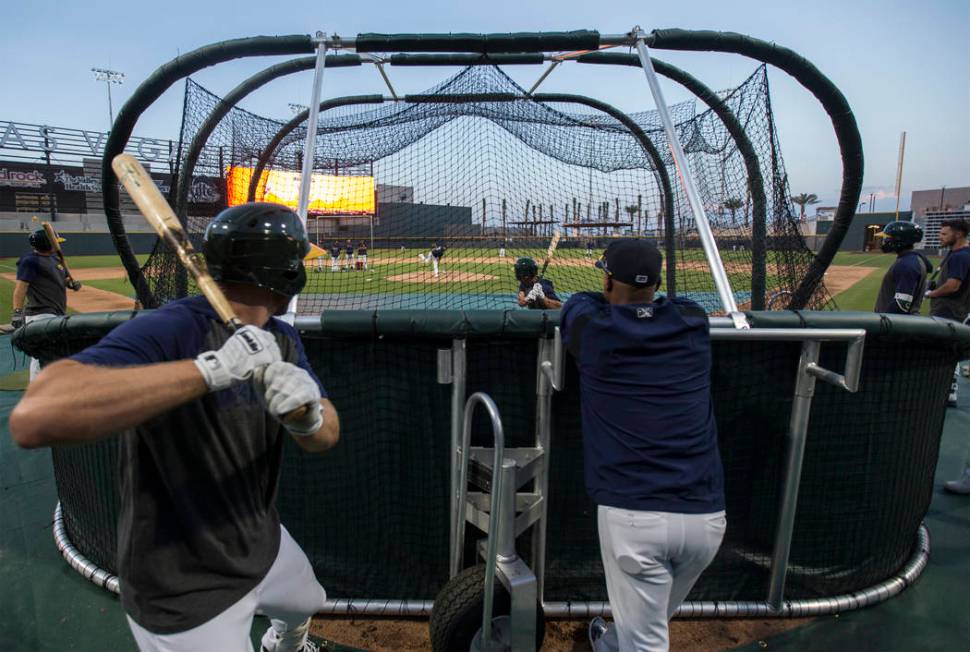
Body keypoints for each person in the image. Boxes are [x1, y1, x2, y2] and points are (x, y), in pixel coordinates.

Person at [10, 203, 340, 652]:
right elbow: (36, 417)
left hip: (259, 540)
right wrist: (209, 371)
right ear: (283, 273)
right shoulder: (173, 327)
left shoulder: (282, 338)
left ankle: (285, 643)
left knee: (305, 600)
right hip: (182, 584)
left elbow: (326, 436)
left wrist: (308, 417)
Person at [559, 239, 726, 652]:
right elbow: (673, 304)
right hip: (706, 520)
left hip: (634, 518)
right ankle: (611, 641)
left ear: (607, 279)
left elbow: (579, 302)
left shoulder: (592, 328)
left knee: (646, 641)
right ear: (657, 282)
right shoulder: (693, 321)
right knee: (648, 618)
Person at [927, 218, 970, 493]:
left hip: (950, 316)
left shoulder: (960, 256)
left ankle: (945, 391)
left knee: (944, 357)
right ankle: (949, 390)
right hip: (953, 315)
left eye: (945, 232)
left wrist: (932, 292)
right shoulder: (958, 255)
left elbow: (953, 285)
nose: (941, 236)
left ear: (958, 234)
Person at [11, 228, 82, 379]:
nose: (58, 245)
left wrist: (70, 283)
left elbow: (60, 280)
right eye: (55, 242)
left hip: (57, 312)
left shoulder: (56, 259)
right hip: (40, 314)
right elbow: (21, 287)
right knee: (40, 354)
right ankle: (37, 389)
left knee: (56, 351)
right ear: (47, 243)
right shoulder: (30, 261)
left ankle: (53, 383)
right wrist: (17, 312)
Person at [873, 221, 931, 314]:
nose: (885, 241)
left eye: (888, 238)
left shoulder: (907, 264)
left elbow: (901, 305)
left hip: (895, 323)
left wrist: (883, 321)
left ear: (899, 240)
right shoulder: (911, 260)